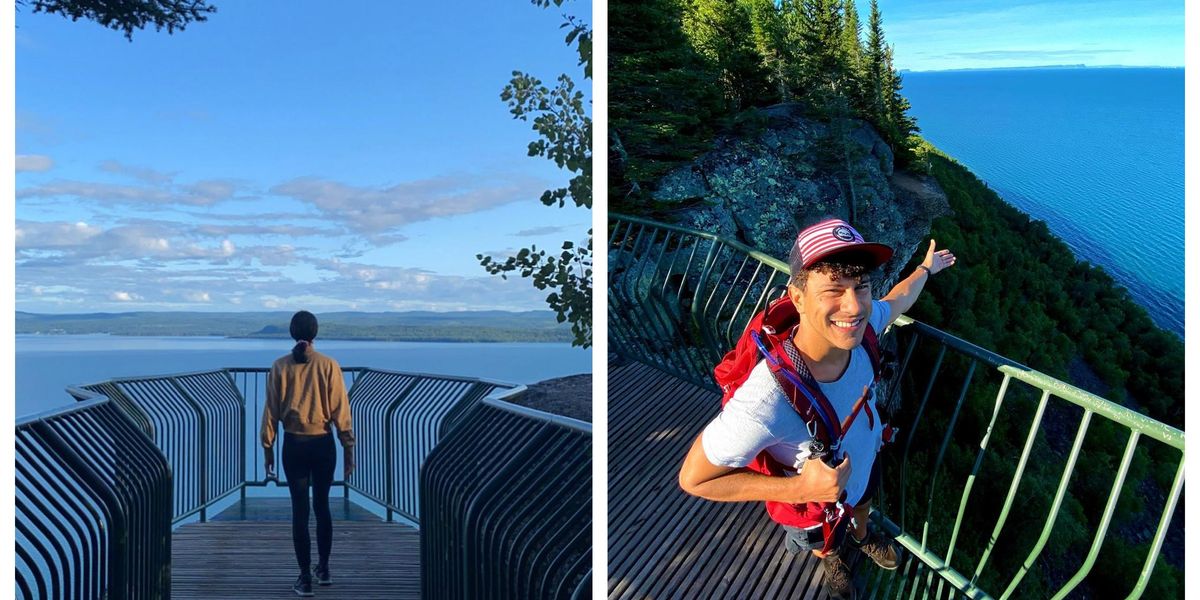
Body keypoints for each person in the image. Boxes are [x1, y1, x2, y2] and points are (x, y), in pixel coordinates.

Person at [678, 218, 956, 600]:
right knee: (822, 537)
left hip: (862, 460)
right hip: (812, 502)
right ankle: (832, 559)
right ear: (797, 297)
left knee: (862, 501)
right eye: (833, 290)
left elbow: (898, 299)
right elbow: (694, 478)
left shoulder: (865, 331)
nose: (854, 305)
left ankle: (861, 536)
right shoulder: (766, 399)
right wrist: (798, 487)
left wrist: (926, 268)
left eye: (861, 286)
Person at [260, 310, 357, 597]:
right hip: (323, 444)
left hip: (294, 445)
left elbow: (270, 412)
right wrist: (348, 449)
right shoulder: (329, 365)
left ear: (292, 333)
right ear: (315, 333)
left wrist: (268, 450)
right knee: (323, 506)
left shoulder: (279, 367)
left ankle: (304, 578)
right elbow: (341, 411)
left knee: (299, 511)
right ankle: (324, 569)